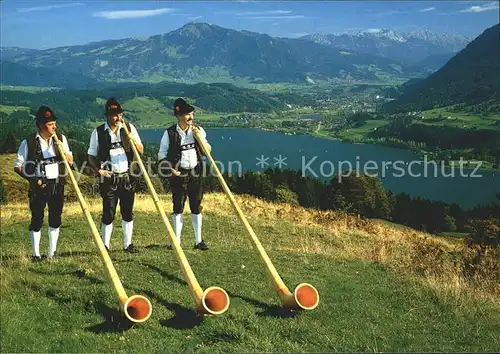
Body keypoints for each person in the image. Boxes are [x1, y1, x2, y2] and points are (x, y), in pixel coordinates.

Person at [14, 106, 73, 261]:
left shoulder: (60, 138)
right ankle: (36, 254)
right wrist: (34, 180)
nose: (54, 126)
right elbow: (18, 166)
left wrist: (62, 149)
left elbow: (70, 161)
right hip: (38, 185)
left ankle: (52, 253)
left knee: (55, 218)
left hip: (57, 184)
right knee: (37, 218)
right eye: (50, 124)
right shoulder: (29, 142)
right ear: (40, 125)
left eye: (54, 123)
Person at [87, 98, 143, 253]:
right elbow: (91, 155)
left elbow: (140, 150)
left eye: (119, 114)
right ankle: (105, 246)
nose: (117, 118)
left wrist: (132, 140)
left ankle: (128, 244)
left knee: (127, 212)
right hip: (109, 178)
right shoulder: (98, 132)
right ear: (107, 115)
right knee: (108, 212)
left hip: (126, 177)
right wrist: (99, 171)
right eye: (113, 115)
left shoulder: (129, 128)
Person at [158, 98, 211, 250]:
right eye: (188, 114)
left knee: (196, 206)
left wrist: (199, 137)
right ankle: (176, 242)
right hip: (178, 174)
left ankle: (198, 241)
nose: (191, 117)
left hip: (196, 172)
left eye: (192, 114)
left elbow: (208, 152)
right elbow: (161, 155)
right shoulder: (169, 133)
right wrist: (170, 170)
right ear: (179, 115)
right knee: (178, 206)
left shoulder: (198, 130)